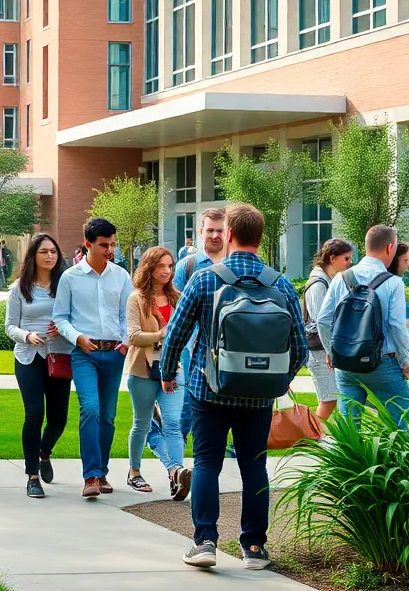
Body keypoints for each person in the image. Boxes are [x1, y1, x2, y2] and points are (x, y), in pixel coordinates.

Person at [162, 203, 307, 571]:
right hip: (258, 397)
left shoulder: (205, 278)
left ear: (228, 234)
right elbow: (301, 347)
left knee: (207, 462)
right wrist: (277, 380)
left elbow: (176, 332)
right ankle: (255, 547)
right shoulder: (280, 283)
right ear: (261, 237)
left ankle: (205, 542)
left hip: (208, 388)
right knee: (254, 466)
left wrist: (166, 371)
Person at [53, 217, 130, 499]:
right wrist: (78, 338)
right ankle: (91, 476)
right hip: (84, 353)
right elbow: (59, 317)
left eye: (113, 244)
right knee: (91, 409)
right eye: (104, 245)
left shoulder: (121, 276)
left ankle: (103, 472)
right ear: (87, 244)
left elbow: (126, 315)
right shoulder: (70, 277)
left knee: (108, 417)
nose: (110, 250)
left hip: (114, 354)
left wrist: (124, 344)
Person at [317, 225, 409, 429]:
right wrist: (405, 361)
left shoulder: (341, 278)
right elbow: (397, 326)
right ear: (390, 248)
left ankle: (352, 461)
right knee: (405, 422)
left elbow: (323, 320)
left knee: (350, 427)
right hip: (382, 362)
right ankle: (401, 461)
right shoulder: (393, 282)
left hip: (345, 364)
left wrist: (331, 352)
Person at [4, 233, 72, 498]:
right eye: (44, 251)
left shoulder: (65, 285)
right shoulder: (19, 288)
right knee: (34, 414)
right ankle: (32, 475)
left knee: (58, 420)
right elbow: (9, 326)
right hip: (28, 357)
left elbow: (76, 317)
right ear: (33, 255)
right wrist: (27, 335)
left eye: (53, 251)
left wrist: (64, 328)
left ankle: (44, 453)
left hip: (59, 355)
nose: (50, 256)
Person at [124, 246, 192, 501]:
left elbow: (187, 331)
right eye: (161, 266)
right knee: (142, 424)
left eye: (170, 266)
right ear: (149, 268)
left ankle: (176, 473)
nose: (166, 271)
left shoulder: (177, 297)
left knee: (173, 423)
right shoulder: (137, 299)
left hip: (173, 369)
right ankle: (134, 471)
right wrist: (160, 335)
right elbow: (133, 336)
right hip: (143, 369)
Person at [170, 208, 226, 443]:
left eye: (220, 230)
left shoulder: (235, 264)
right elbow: (176, 313)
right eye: (210, 230)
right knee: (186, 405)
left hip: (230, 348)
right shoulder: (187, 266)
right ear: (201, 233)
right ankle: (176, 461)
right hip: (192, 349)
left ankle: (222, 447)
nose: (215, 235)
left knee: (228, 401)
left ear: (228, 233)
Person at [302, 238, 353, 421]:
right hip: (320, 350)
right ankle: (310, 440)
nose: (349, 263)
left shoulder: (328, 281)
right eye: (346, 258)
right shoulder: (318, 284)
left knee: (335, 399)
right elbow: (322, 320)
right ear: (332, 258)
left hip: (325, 350)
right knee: (329, 400)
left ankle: (314, 439)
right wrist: (332, 350)